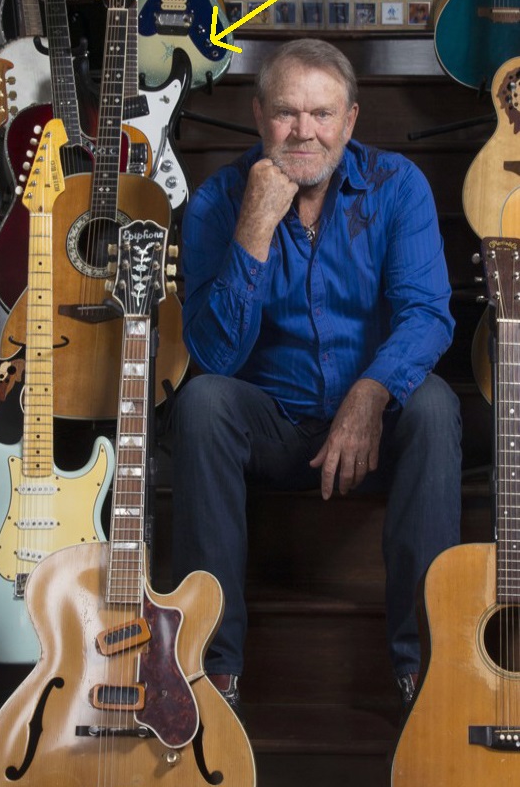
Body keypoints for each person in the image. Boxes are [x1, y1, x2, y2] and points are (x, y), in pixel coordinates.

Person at [170, 38, 462, 717]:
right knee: (202, 404)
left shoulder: (397, 187)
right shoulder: (218, 203)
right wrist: (254, 226)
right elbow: (213, 354)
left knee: (439, 406)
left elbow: (427, 314)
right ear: (258, 115)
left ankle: (425, 668)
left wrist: (370, 391)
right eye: (287, 114)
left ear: (352, 120)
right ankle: (214, 674)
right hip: (273, 426)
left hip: (375, 431)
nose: (304, 131)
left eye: (322, 114)